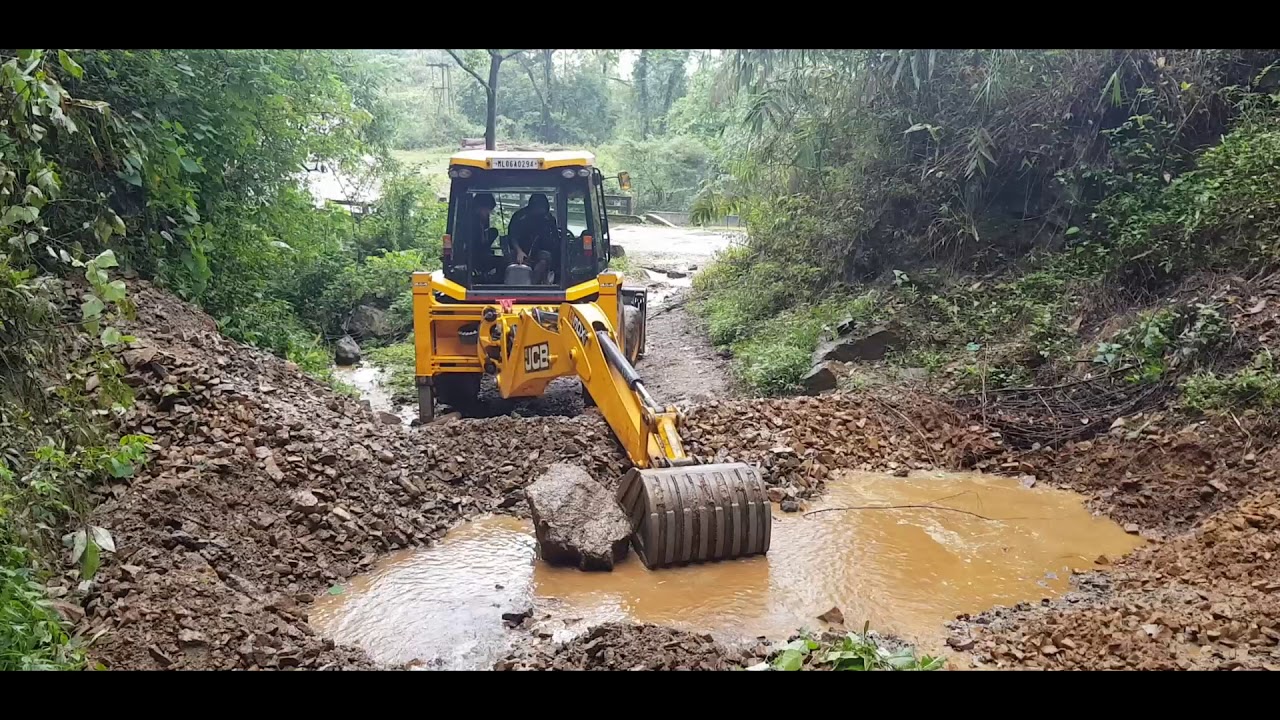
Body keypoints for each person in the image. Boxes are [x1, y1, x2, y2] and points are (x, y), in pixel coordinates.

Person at [506, 193, 560, 276]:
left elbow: (555, 238)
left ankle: (534, 282)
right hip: (520, 249)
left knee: (545, 259)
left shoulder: (549, 219)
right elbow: (513, 236)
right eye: (539, 208)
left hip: (540, 251)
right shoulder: (520, 217)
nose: (541, 211)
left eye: (543, 209)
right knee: (508, 259)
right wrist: (519, 251)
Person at [463, 192, 501, 281]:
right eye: (487, 210)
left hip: (481, 255)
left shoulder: (482, 222)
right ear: (480, 207)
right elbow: (477, 244)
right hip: (473, 257)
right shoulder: (471, 223)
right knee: (502, 262)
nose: (488, 213)